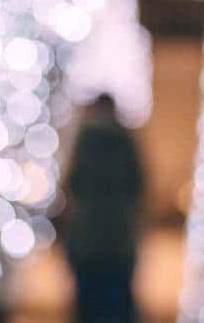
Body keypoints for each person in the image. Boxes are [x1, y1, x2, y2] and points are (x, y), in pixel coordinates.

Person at [63, 94, 144, 323]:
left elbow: (72, 184)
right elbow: (137, 185)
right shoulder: (125, 140)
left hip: (87, 239)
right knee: (117, 304)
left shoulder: (84, 141)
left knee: (88, 304)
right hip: (118, 239)